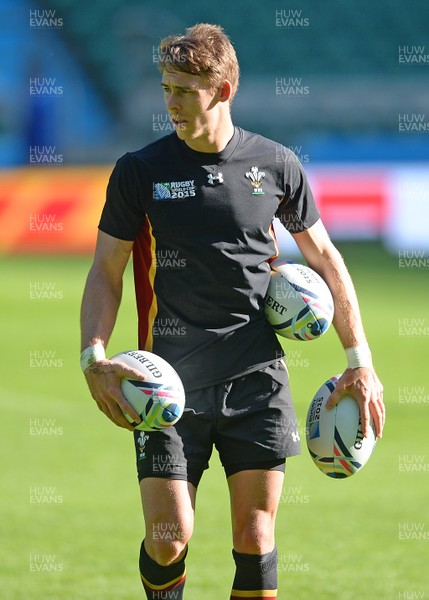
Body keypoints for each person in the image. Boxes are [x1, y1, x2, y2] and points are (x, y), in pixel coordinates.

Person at [80, 23, 385, 599]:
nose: (169, 101)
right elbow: (107, 270)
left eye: (184, 89)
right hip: (166, 381)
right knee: (169, 537)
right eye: (165, 87)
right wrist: (93, 355)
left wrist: (359, 360)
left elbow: (327, 260)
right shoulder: (139, 171)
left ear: (221, 91)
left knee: (254, 533)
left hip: (256, 377)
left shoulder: (275, 164)